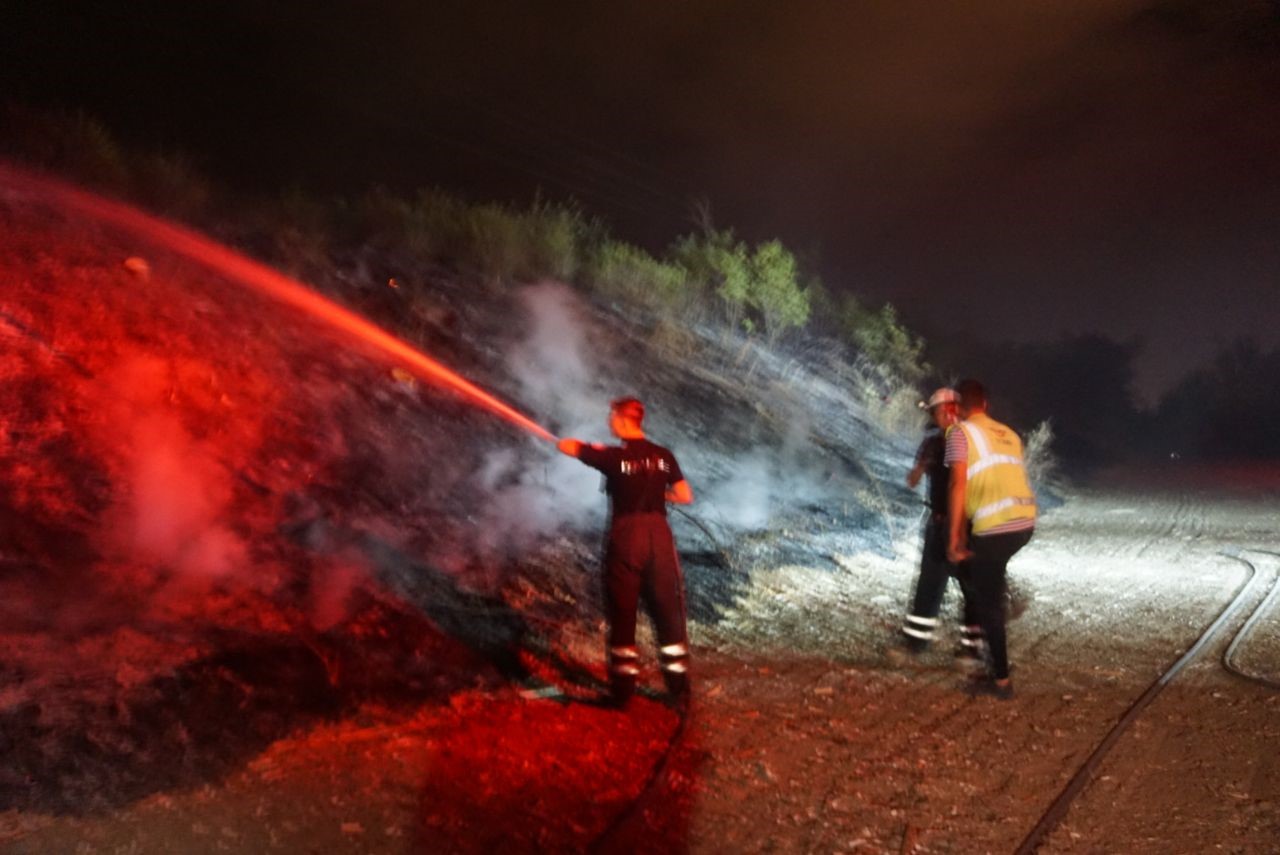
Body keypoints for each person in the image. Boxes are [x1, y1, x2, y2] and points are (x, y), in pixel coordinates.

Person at [557, 397, 695, 710]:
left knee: (623, 613)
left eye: (611, 417)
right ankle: (680, 694)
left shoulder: (614, 457)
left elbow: (566, 446)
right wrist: (660, 495)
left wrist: (579, 444)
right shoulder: (663, 456)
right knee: (668, 613)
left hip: (626, 536)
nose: (609, 422)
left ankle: (622, 695)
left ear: (621, 420)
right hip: (659, 537)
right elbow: (685, 496)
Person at [946, 379, 1036, 699]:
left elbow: (958, 485)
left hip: (995, 525)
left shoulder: (960, 434)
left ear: (958, 407)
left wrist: (955, 536)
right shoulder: (1010, 434)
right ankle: (1000, 590)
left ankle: (1000, 680)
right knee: (982, 572)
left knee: (988, 604)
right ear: (986, 404)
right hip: (1023, 522)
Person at [893, 388, 984, 663]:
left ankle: (965, 647)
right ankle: (924, 645)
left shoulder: (959, 439)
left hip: (959, 522)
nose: (938, 415)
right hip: (952, 522)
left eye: (939, 410)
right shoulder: (947, 441)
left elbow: (954, 481)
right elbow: (915, 478)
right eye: (936, 412)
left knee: (957, 585)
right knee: (942, 584)